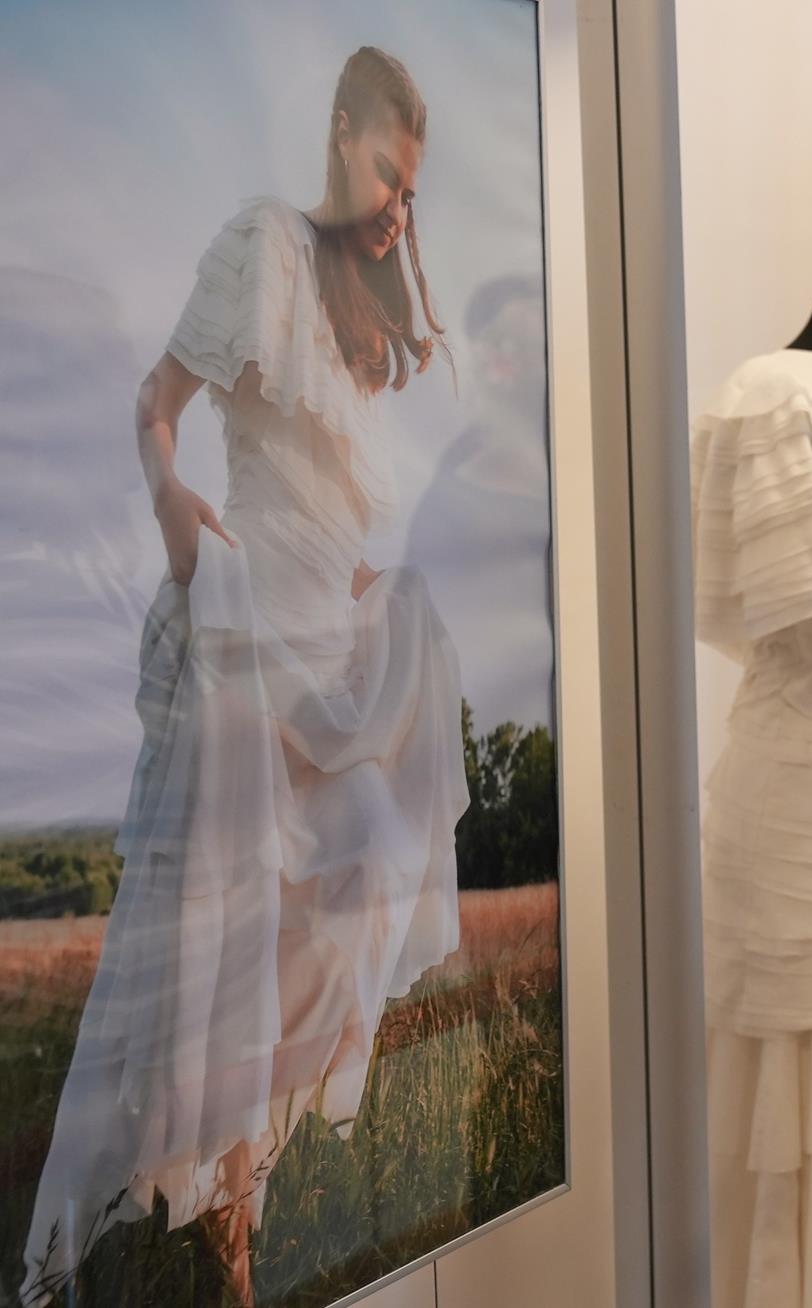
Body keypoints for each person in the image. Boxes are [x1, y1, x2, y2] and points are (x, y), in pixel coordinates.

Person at [21, 47, 469, 1307]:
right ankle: (226, 1246)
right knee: (223, 949)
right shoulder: (262, 243)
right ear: (340, 134)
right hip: (248, 647)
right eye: (387, 173)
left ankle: (236, 1179)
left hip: (330, 658)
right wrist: (171, 498)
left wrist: (373, 582)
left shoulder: (360, 321)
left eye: (413, 191)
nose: (399, 206)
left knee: (371, 858)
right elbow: (155, 400)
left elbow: (334, 509)